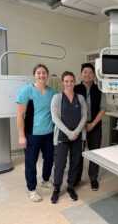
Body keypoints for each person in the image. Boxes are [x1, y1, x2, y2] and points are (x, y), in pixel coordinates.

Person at [16, 64, 57, 202]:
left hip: (49, 133)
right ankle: (32, 189)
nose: (41, 75)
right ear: (34, 75)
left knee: (50, 159)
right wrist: (21, 136)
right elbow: (20, 116)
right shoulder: (26, 92)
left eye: (44, 73)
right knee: (31, 163)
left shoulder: (53, 92)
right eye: (38, 73)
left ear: (48, 74)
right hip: (32, 134)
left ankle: (45, 180)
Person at [50, 71, 87, 204]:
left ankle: (71, 187)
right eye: (66, 81)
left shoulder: (80, 98)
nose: (69, 83)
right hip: (61, 135)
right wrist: (69, 133)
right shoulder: (57, 98)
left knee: (75, 162)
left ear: (74, 82)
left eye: (71, 81)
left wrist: (76, 132)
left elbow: (84, 116)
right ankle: (56, 188)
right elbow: (55, 118)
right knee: (60, 164)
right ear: (62, 82)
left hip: (77, 136)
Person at [74, 63, 106, 191]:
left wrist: (92, 124)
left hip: (95, 126)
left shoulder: (99, 89)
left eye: (90, 72)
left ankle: (93, 178)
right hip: (78, 127)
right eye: (85, 72)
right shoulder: (75, 89)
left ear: (94, 75)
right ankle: (76, 177)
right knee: (78, 153)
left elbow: (103, 109)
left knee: (94, 153)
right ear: (81, 74)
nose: (87, 74)